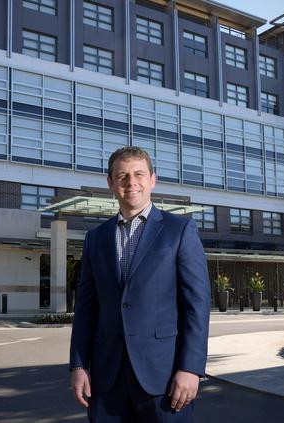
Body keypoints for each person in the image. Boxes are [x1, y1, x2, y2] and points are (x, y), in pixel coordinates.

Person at [69, 146, 211, 422]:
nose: (130, 182)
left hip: (165, 379)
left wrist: (191, 369)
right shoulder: (95, 239)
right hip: (106, 380)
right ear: (110, 182)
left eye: (138, 174)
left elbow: (197, 304)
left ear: (152, 179)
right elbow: (86, 307)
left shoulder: (179, 231)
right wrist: (78, 365)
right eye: (121, 176)